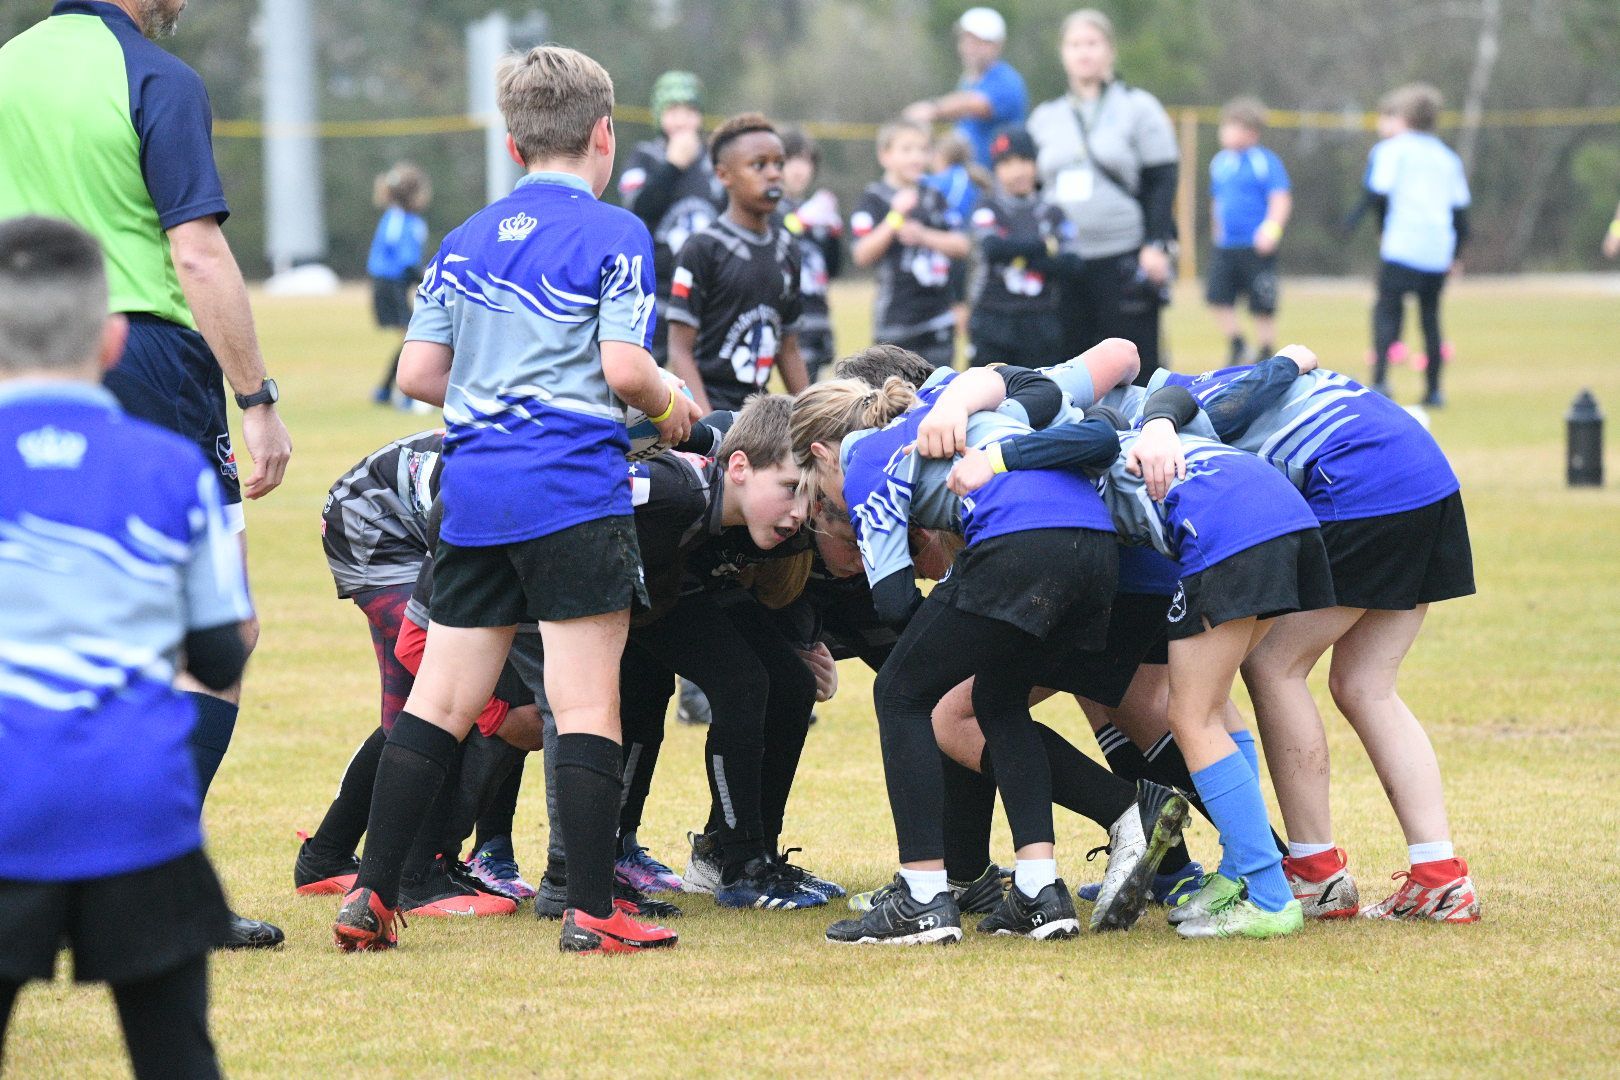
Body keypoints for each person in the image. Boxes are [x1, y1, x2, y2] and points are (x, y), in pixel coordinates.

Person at [330, 45, 701, 955]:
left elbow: (420, 370)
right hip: (572, 491)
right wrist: (671, 405)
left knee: (441, 699)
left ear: (510, 143)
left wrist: (496, 395)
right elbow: (623, 366)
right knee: (585, 703)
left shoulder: (464, 239)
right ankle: (590, 910)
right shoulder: (616, 234)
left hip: (475, 493)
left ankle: (373, 893)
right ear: (604, 134)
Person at [0, 0, 292, 950]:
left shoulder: (11, 64)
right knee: (219, 628)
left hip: (19, 355)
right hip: (141, 360)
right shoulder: (155, 78)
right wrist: (257, 397)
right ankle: (151, 876)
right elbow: (196, 251)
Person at [794, 357, 1189, 944]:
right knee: (997, 700)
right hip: (1097, 551)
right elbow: (1035, 386)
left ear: (826, 454)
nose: (831, 510)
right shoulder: (964, 411)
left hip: (1018, 544)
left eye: (820, 497)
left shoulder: (865, 459)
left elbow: (896, 602)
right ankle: (1038, 892)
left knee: (901, 693)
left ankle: (921, 897)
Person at [950, 350, 1332, 940]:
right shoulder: (1127, 427)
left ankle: (1268, 892)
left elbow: (1092, 452)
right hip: (1284, 513)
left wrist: (995, 459)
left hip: (1227, 532)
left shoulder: (1070, 447)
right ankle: (1239, 871)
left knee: (1189, 715)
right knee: (1214, 709)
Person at [0, 216, 252, 1078]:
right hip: (137, 808)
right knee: (175, 1057)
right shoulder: (171, 470)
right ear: (112, 341)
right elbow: (221, 656)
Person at [1141, 353, 1482, 924]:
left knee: (1274, 663)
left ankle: (1315, 871)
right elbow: (1294, 360)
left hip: (1364, 482)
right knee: (1366, 684)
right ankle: (1439, 877)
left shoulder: (1165, 417)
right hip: (1428, 475)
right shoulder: (1221, 379)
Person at [1027, 8, 1179, 385]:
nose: (1084, 53)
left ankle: (1144, 437)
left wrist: (1156, 243)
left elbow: (1162, 180)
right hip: (1065, 261)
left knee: (1132, 365)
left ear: (1109, 50)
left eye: (1092, 43)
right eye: (1075, 44)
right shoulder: (1046, 116)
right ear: (1063, 53)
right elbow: (1031, 189)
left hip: (1123, 255)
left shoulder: (1138, 107)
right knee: (1068, 370)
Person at [666, 114, 810, 412]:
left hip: (757, 413)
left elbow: (789, 348)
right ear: (723, 175)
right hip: (710, 408)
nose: (774, 174)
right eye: (759, 165)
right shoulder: (703, 249)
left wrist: (816, 419)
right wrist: (708, 428)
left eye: (779, 164)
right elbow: (679, 351)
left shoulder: (788, 250)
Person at [1350, 84, 1470, 407]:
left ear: (1404, 116)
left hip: (1403, 243)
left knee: (1387, 308)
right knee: (1430, 316)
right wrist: (1455, 254)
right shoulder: (1448, 158)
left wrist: (1378, 229)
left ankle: (1381, 379)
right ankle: (1433, 390)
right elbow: (1460, 213)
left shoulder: (1392, 150)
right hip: (1436, 248)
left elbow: (1378, 195)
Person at [618, 70, 727, 365]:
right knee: (651, 371)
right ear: (658, 113)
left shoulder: (715, 160)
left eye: (690, 110)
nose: (681, 119)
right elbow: (637, 208)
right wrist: (673, 165)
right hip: (658, 288)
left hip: (707, 290)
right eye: (672, 110)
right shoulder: (645, 156)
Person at [850, 121, 971, 368]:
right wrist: (894, 218)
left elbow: (962, 246)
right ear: (885, 155)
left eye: (922, 149)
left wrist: (923, 235)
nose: (916, 157)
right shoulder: (874, 198)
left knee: (939, 396)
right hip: (896, 322)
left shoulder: (934, 196)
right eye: (906, 150)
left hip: (939, 321)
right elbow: (861, 255)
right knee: (897, 402)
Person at [968, 127, 1080, 367]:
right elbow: (993, 248)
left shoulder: (1052, 211)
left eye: (1024, 161)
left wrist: (1018, 255)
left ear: (1035, 164)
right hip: (993, 317)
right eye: (1007, 163)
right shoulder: (987, 207)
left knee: (1040, 391)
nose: (1017, 171)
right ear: (996, 170)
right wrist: (1044, 246)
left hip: (1041, 319)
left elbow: (1072, 264)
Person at [1206, 98, 1291, 364]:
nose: (1226, 133)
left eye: (1233, 127)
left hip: (1255, 245)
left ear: (1251, 132)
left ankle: (1266, 349)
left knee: (1261, 302)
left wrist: (1272, 231)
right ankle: (1237, 343)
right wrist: (1217, 231)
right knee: (1218, 296)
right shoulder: (1220, 162)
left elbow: (1280, 198)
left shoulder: (1264, 162)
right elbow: (1218, 200)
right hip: (1227, 245)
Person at [903, 6, 1028, 169]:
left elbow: (974, 104)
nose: (970, 48)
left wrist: (931, 109)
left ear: (996, 45)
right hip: (971, 177)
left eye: (979, 42)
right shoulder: (968, 81)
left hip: (997, 182)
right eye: (967, 40)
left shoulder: (1007, 80)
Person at [778, 127, 842, 383]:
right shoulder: (770, 207)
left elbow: (832, 270)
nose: (799, 169)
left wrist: (834, 234)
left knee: (815, 391)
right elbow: (776, 238)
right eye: (791, 160)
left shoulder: (816, 211)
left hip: (818, 315)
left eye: (806, 161)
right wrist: (803, 220)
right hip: (789, 318)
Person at [367, 163, 432, 406]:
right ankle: (404, 396)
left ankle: (384, 391)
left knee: (410, 338)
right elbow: (406, 261)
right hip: (389, 286)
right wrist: (429, 279)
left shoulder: (397, 217)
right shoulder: (403, 221)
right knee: (413, 338)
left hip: (390, 284)